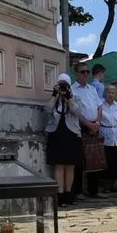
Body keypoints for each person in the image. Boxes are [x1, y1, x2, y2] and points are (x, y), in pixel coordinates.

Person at [44, 73, 82, 206]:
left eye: (65, 84)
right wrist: (55, 94)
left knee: (70, 166)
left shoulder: (75, 97)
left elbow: (76, 112)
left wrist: (69, 97)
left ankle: (69, 194)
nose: (63, 87)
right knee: (59, 165)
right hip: (56, 133)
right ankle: (60, 196)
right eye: (60, 84)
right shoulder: (54, 99)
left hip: (71, 133)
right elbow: (47, 110)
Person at [70, 61, 103, 198]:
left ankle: (94, 190)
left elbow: (99, 106)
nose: (85, 74)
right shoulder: (72, 90)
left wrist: (97, 123)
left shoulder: (92, 89)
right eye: (82, 72)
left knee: (95, 159)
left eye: (87, 72)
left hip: (95, 125)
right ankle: (78, 191)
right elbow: (75, 111)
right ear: (76, 73)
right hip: (81, 126)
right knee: (80, 160)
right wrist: (88, 125)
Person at [98, 85, 117, 191]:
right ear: (104, 93)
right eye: (108, 92)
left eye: (112, 93)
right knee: (107, 160)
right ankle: (106, 184)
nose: (110, 95)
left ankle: (115, 184)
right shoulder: (100, 105)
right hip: (105, 135)